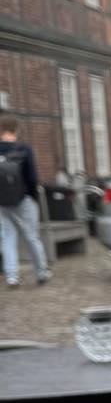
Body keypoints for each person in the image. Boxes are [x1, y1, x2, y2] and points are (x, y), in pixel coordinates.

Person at [0, 116, 51, 288]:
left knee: (7, 237)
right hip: (24, 199)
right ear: (16, 130)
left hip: (2, 202)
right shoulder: (24, 149)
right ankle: (41, 272)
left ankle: (12, 277)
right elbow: (32, 177)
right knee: (31, 237)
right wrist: (33, 197)